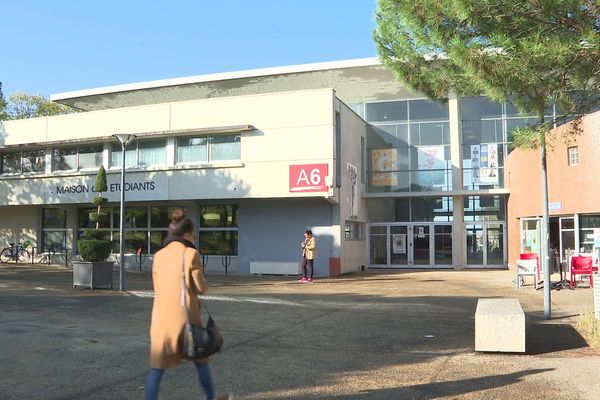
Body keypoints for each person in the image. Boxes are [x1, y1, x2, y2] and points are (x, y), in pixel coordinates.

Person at [145, 208, 232, 400]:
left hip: (161, 322)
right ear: (186, 234)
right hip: (186, 321)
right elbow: (201, 287)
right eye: (193, 234)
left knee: (157, 369)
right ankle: (211, 398)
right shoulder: (190, 254)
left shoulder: (158, 255)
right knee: (201, 361)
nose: (194, 237)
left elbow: (158, 287)